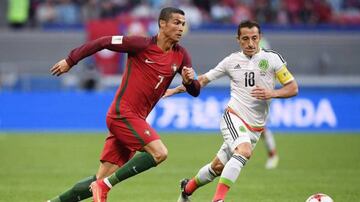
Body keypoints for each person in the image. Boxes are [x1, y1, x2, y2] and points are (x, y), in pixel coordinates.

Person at [47, 7, 200, 202]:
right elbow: (103, 42)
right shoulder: (140, 44)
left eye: (183, 24)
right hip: (122, 115)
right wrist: (71, 60)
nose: (181, 28)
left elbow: (195, 91)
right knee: (159, 153)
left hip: (134, 120)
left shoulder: (181, 55)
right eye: (177, 23)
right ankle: (105, 187)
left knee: (98, 179)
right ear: (162, 23)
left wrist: (189, 82)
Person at [164, 20, 298, 202]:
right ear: (238, 40)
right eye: (245, 39)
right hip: (234, 116)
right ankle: (218, 200)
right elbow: (202, 80)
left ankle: (186, 190)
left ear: (260, 38)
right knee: (244, 150)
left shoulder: (272, 59)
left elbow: (293, 88)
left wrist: (272, 93)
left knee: (217, 168)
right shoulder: (231, 61)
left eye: (254, 38)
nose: (250, 43)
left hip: (255, 127)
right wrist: (176, 89)